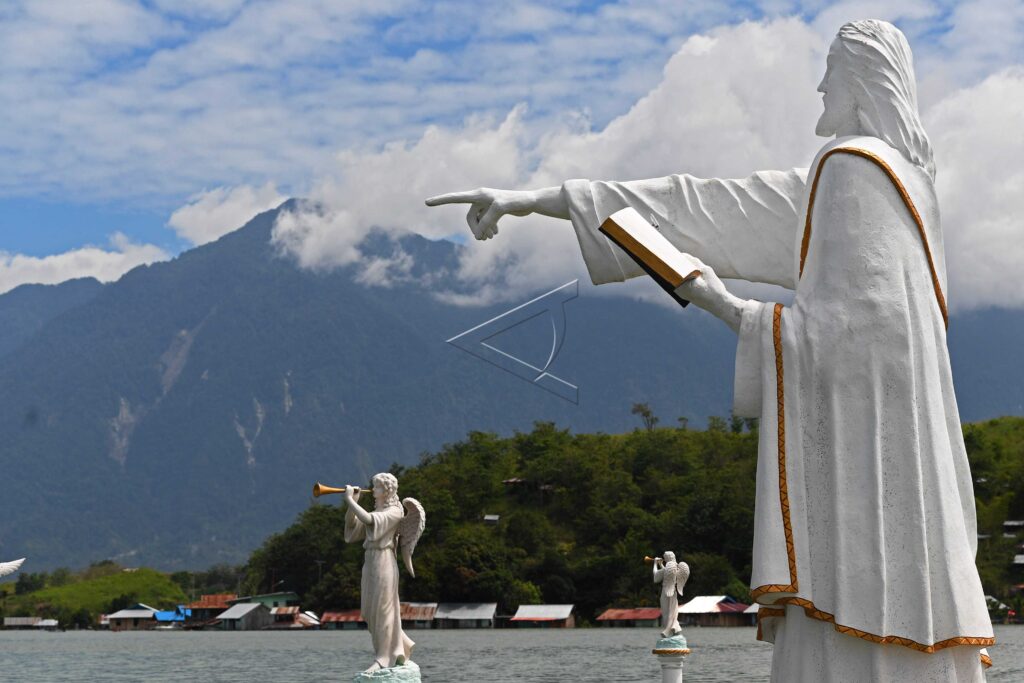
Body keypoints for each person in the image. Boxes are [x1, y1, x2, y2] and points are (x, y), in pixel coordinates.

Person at [426, 20, 992, 681]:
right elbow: (694, 206)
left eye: (831, 72)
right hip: (908, 475)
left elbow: (863, 337)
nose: (819, 85)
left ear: (865, 80)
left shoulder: (853, 171)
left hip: (864, 472)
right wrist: (532, 199)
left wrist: (728, 306)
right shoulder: (894, 185)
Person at [344, 473, 415, 672]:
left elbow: (368, 519)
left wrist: (350, 500)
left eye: (376, 487)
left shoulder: (395, 511)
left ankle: (383, 658)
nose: (373, 490)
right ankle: (396, 652)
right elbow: (352, 532)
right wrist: (352, 505)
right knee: (371, 610)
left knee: (383, 611)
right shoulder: (379, 510)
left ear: (387, 490)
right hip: (371, 561)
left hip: (384, 562)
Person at [653, 551, 689, 638]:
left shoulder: (667, 569)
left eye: (664, 558)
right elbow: (668, 574)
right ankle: (675, 630)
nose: (664, 559)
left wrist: (655, 563)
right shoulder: (677, 568)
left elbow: (656, 578)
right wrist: (661, 565)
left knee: (667, 612)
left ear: (667, 558)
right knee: (672, 611)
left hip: (666, 593)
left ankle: (668, 632)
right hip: (674, 593)